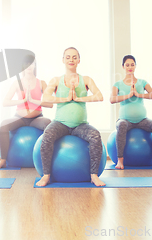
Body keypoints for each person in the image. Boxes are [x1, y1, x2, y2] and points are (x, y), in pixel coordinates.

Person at [36, 47, 105, 187]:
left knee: (95, 136)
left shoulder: (86, 79)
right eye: (68, 57)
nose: (71, 60)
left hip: (81, 125)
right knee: (47, 134)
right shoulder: (56, 80)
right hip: (60, 123)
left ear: (79, 60)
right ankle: (46, 175)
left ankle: (94, 176)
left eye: (74, 57)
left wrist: (79, 98)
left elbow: (99, 96)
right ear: (63, 60)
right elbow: (45, 97)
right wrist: (66, 98)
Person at [0, 55, 52, 169]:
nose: (29, 66)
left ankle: (46, 162)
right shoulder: (17, 83)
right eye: (26, 63)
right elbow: (5, 102)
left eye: (31, 63)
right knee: (3, 125)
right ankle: (3, 160)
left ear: (35, 65)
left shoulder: (42, 83)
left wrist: (34, 101)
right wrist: (23, 100)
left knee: (49, 124)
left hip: (36, 118)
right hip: (19, 118)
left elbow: (50, 104)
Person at [110, 55, 152, 169]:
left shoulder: (142, 82)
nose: (130, 67)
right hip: (125, 119)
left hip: (142, 120)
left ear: (135, 66)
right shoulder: (118, 84)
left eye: (132, 65)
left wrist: (138, 94)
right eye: (127, 65)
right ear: (123, 66)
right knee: (121, 125)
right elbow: (112, 99)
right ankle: (120, 161)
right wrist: (128, 95)